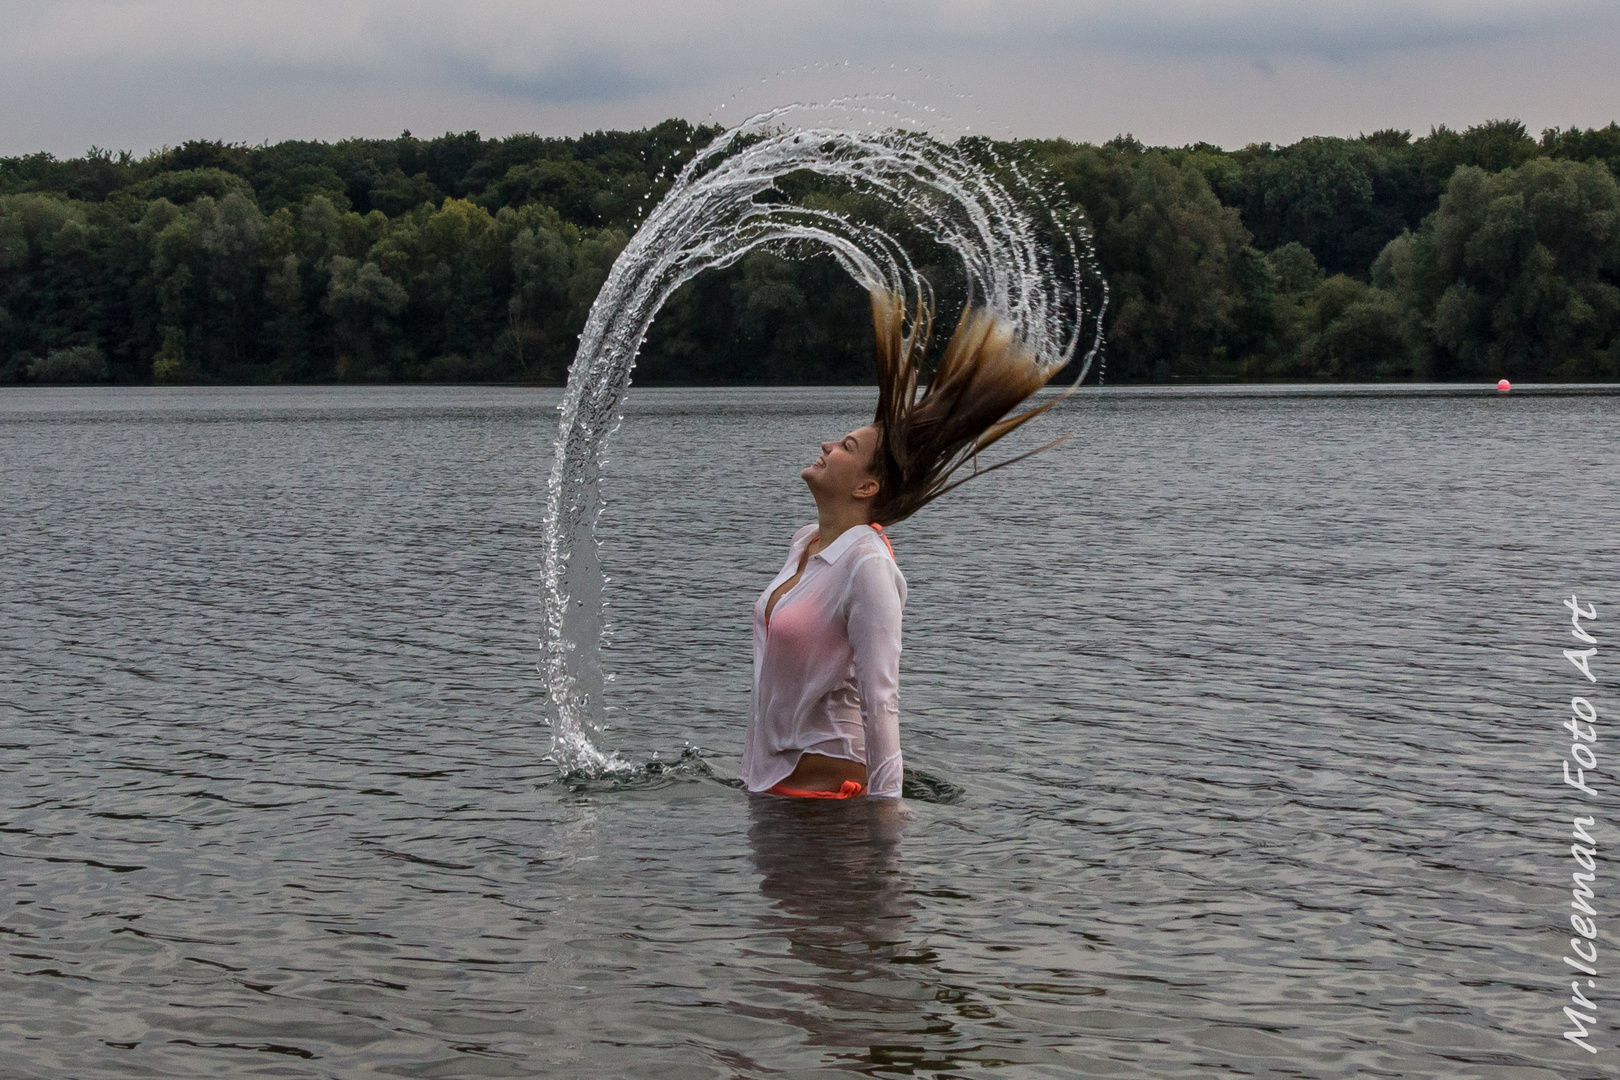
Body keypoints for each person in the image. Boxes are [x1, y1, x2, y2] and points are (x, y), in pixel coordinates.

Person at [740, 289, 1071, 799]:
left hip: (828, 803)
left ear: (866, 487)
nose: (827, 445)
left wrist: (885, 819)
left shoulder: (867, 565)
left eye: (846, 447)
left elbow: (881, 700)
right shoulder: (806, 543)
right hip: (774, 791)